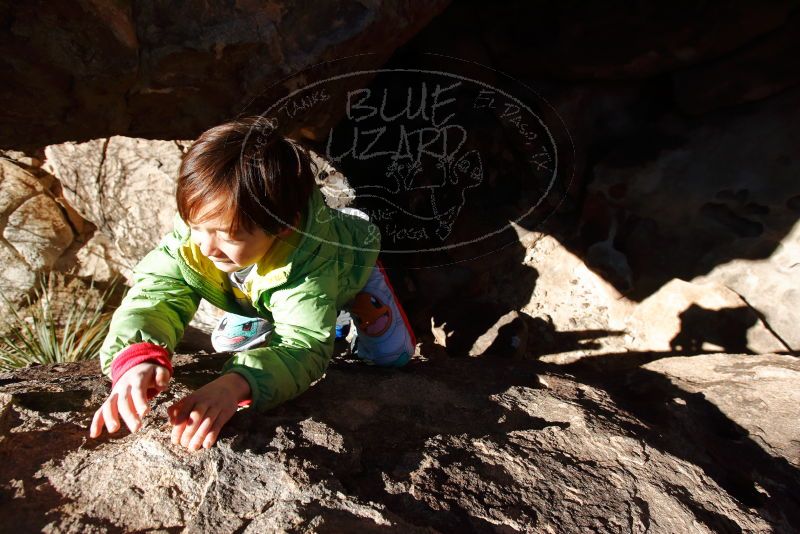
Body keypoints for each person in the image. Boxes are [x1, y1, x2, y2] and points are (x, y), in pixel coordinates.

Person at [88, 116, 416, 451]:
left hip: (347, 264)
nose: (206, 246)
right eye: (196, 226)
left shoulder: (309, 264)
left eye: (229, 235)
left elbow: (304, 346)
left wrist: (237, 385)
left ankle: (357, 297)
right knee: (228, 338)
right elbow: (157, 292)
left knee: (391, 358)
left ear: (284, 226)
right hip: (263, 280)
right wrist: (137, 355)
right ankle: (259, 304)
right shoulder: (200, 235)